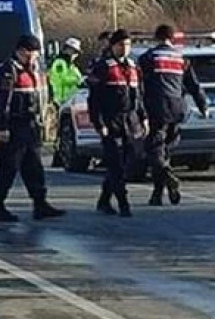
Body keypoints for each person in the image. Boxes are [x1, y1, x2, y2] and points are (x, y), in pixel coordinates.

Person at [0, 34, 67, 223]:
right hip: (14, 125)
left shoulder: (37, 70)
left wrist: (46, 119)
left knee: (34, 167)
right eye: (30, 52)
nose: (33, 56)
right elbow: (3, 102)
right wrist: (2, 127)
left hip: (32, 125)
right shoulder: (9, 71)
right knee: (8, 167)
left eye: (36, 53)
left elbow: (43, 96)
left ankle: (40, 204)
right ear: (20, 51)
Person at [139, 24, 208, 206]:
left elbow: (140, 86)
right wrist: (203, 106)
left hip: (156, 108)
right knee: (165, 150)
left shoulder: (148, 58)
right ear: (171, 38)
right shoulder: (181, 59)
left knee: (154, 150)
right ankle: (157, 194)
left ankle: (168, 175)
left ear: (156, 38)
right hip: (177, 108)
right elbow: (194, 85)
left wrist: (140, 111)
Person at [88, 29, 147, 217]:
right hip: (110, 119)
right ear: (113, 46)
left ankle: (104, 200)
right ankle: (123, 203)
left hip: (130, 121)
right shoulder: (103, 67)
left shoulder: (132, 66)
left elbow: (139, 96)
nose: (125, 48)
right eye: (121, 45)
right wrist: (99, 123)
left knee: (129, 161)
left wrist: (143, 117)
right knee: (114, 163)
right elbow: (94, 99)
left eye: (128, 45)